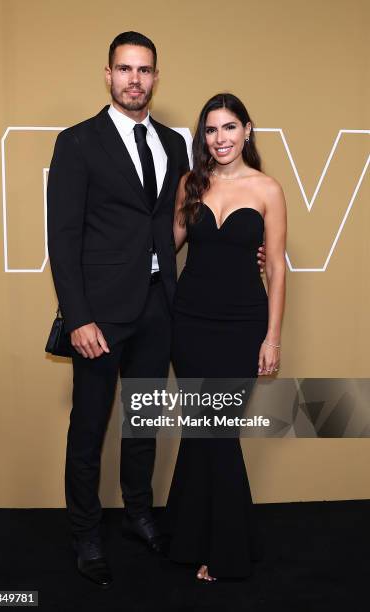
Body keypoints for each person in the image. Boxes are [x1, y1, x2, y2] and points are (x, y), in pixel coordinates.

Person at [48, 32, 266, 588]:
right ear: (108, 74)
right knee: (90, 427)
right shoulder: (77, 143)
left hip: (160, 310)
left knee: (142, 423)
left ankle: (140, 515)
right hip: (99, 314)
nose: (134, 80)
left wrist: (249, 245)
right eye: (125, 69)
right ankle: (86, 533)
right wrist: (77, 317)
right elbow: (63, 237)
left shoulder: (173, 144)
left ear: (155, 78)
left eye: (144, 70)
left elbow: (189, 216)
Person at [165, 93, 286, 581]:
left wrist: (272, 338)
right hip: (190, 322)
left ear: (248, 130)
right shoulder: (190, 184)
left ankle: (227, 549)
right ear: (204, 137)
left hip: (242, 325)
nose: (221, 139)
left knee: (217, 431)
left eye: (230, 128)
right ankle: (188, 539)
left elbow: (276, 266)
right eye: (211, 130)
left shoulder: (268, 189)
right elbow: (165, 244)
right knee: (202, 432)